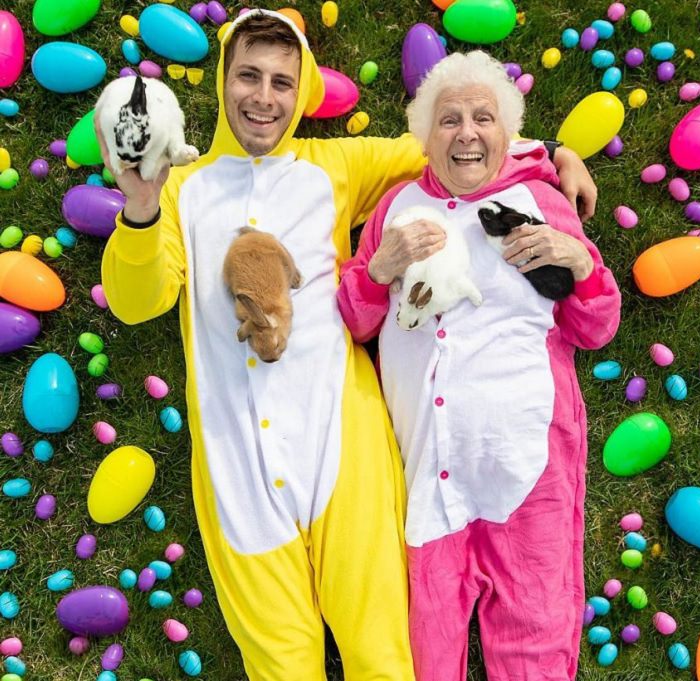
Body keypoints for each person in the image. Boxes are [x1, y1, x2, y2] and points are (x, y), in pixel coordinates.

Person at [100, 9, 600, 680]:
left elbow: (454, 147)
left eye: (283, 81)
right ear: (222, 82)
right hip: (236, 464)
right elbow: (139, 303)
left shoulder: (337, 163)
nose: (263, 97)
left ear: (302, 90)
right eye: (248, 76)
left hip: (345, 446)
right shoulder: (181, 190)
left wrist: (556, 155)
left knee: (384, 658)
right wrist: (139, 207)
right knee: (283, 665)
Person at [336, 50, 621, 681]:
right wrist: (381, 268)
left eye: (483, 118)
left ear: (507, 133)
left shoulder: (542, 201)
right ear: (425, 136)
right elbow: (354, 325)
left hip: (526, 474)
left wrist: (580, 263)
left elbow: (595, 328)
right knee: (420, 661)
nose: (467, 132)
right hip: (424, 481)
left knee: (535, 652)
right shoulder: (396, 207)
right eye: (449, 119)